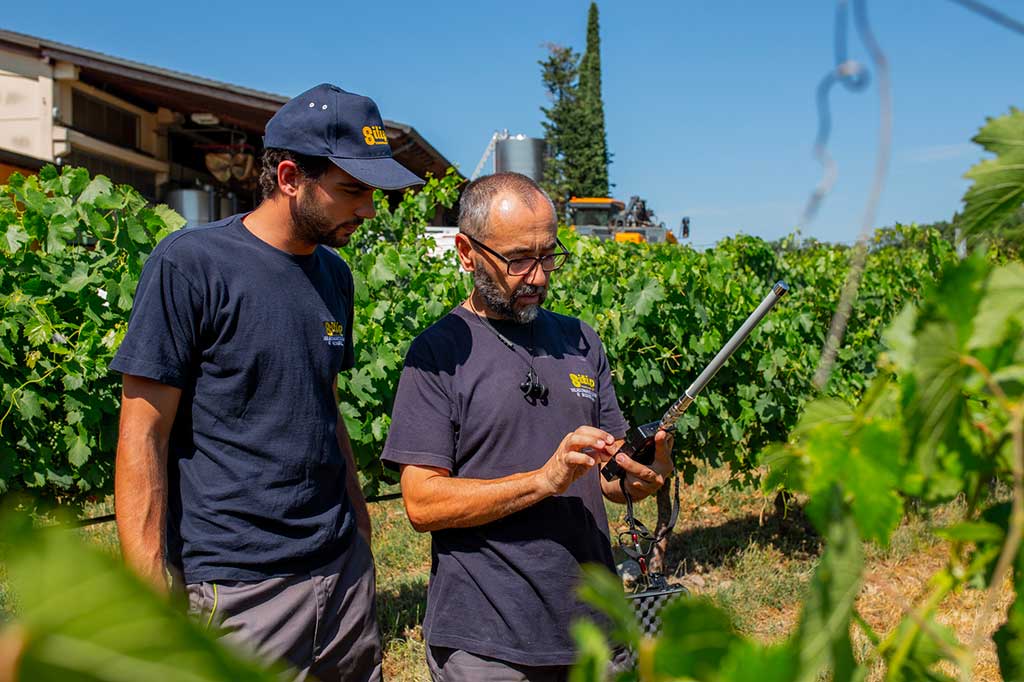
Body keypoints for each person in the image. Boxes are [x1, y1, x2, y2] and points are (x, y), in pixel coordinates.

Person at [110, 83, 423, 682]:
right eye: (353, 190)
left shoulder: (334, 274)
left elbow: (324, 405)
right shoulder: (190, 266)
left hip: (340, 578)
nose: (369, 210)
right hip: (239, 586)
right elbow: (141, 432)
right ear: (288, 177)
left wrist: (359, 535)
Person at [381, 172, 674, 681]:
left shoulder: (581, 340)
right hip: (488, 641)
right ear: (467, 253)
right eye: (519, 259)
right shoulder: (439, 353)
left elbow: (610, 479)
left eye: (547, 255)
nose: (537, 276)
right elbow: (422, 503)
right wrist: (544, 480)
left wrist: (643, 473)